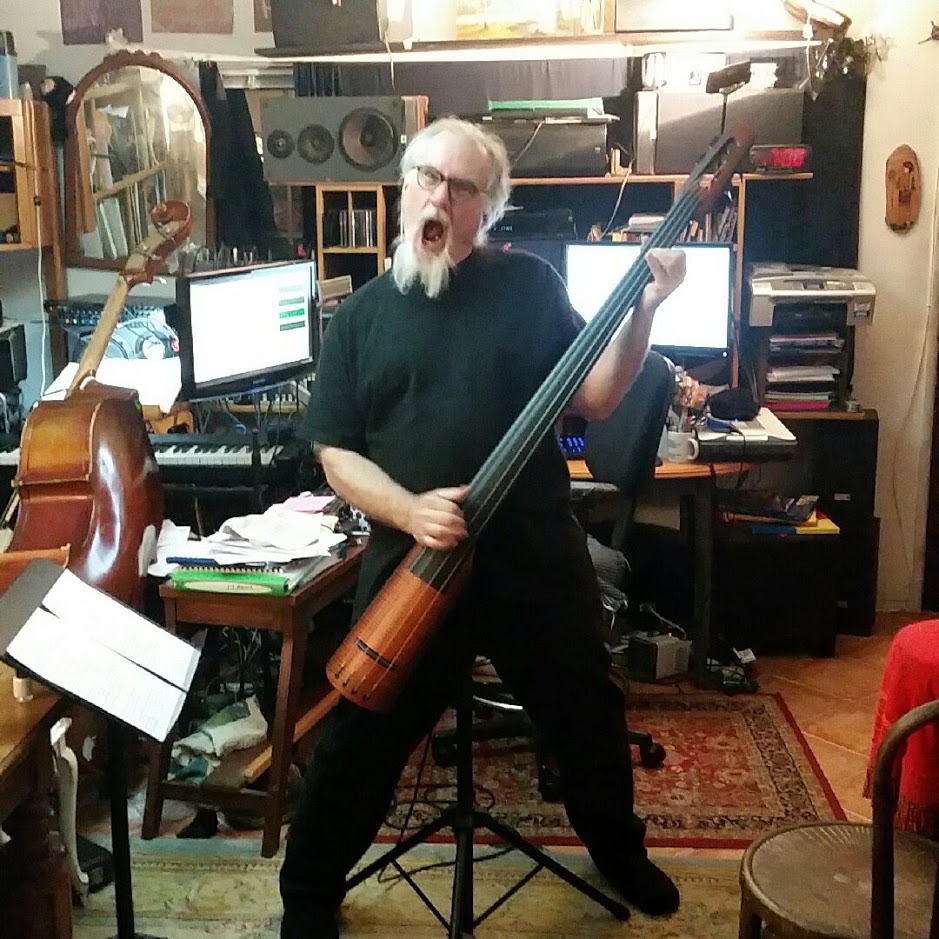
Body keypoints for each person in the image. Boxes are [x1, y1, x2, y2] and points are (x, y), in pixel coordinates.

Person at [280, 117, 687, 938]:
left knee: (587, 710)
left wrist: (645, 308)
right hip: (413, 563)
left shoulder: (529, 287)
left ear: (485, 210)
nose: (439, 196)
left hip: (529, 553)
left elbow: (597, 396)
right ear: (404, 188)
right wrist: (407, 509)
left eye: (461, 187)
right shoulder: (358, 318)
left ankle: (617, 851)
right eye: (427, 177)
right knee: (359, 732)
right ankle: (309, 889)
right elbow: (334, 452)